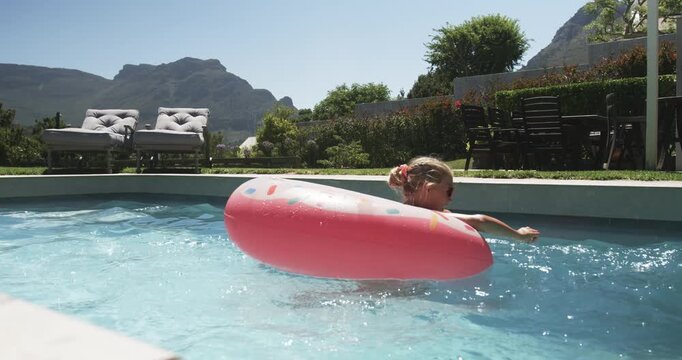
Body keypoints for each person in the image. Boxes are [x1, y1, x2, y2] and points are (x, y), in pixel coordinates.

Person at [388, 156, 540, 243]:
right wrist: (518, 235)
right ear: (430, 189)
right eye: (449, 191)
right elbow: (480, 221)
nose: (451, 198)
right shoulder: (430, 216)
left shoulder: (400, 212)